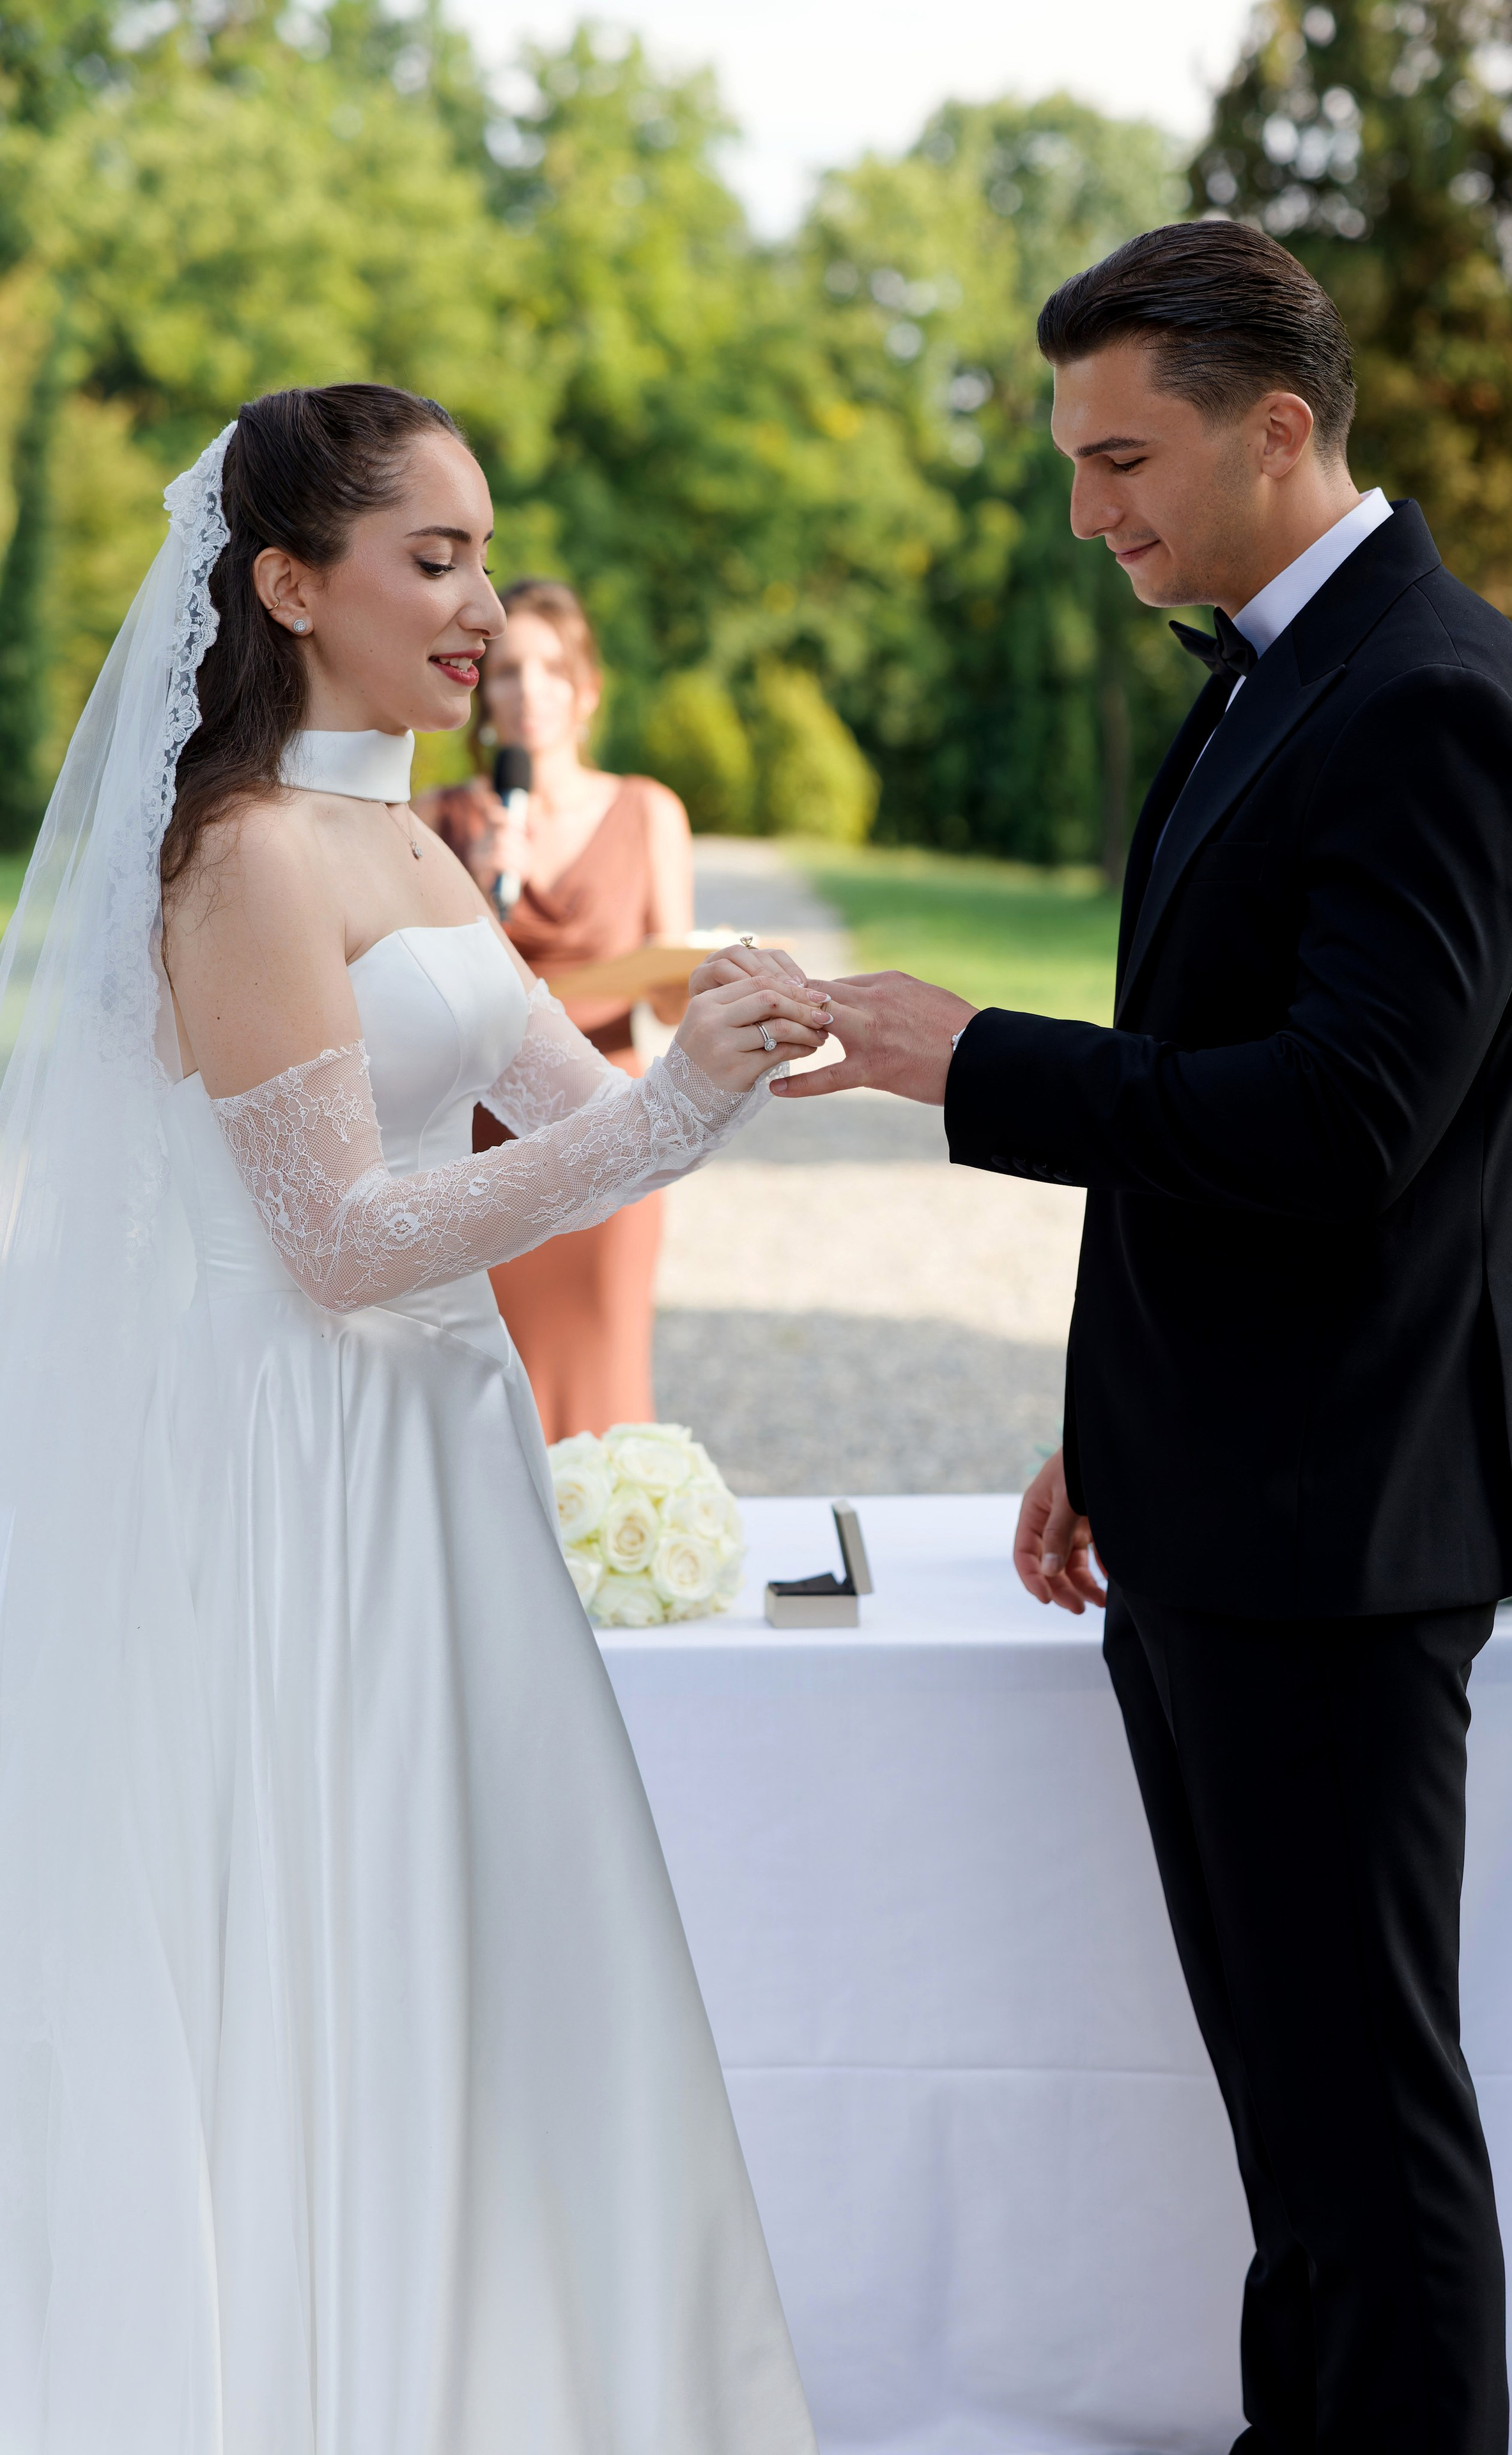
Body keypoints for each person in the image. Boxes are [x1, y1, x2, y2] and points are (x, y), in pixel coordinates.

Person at [778, 221, 1512, 2452]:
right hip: (1227, 1483)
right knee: (1293, 2107)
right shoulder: (1272, 666)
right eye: (1072, 460)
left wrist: (970, 1058)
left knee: (1366, 2114)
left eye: (1121, 454)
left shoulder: (1429, 691)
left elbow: (1342, 1122)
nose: (1089, 512)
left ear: (1278, 425)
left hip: (1344, 1518)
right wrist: (1111, 1425)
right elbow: (1226, 1115)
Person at [0, 382, 831, 2449]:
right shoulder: (256, 862)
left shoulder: (408, 843)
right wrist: (662, 1105)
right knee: (344, 1960)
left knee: (512, 1944)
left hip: (448, 1461)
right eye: (431, 561)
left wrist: (731, 1054)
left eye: (482, 554)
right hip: (313, 1477)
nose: (474, 607)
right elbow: (336, 1242)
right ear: (289, 586)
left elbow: (593, 1130)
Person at [418, 580, 691, 1439]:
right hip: (476, 1141)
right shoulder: (435, 822)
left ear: (587, 688)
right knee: (483, 1393)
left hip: (608, 1126)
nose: (525, 691)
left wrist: (699, 973)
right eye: (504, 671)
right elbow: (416, 1003)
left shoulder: (649, 812)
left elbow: (674, 1002)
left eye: (546, 669)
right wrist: (478, 890)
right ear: (480, 690)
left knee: (603, 1377)